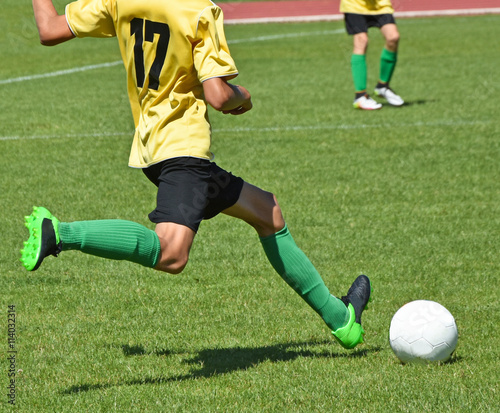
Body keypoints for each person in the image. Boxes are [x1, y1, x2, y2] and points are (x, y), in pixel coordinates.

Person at [23, 0, 372, 349]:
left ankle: (341, 320)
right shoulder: (199, 11)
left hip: (152, 146)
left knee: (268, 211)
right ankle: (61, 233)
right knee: (172, 254)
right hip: (184, 149)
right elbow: (219, 96)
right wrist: (244, 96)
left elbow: (49, 29)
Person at [340, 0, 404, 110]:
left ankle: (382, 87)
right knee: (361, 41)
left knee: (393, 37)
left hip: (380, 5)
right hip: (354, 5)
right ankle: (360, 96)